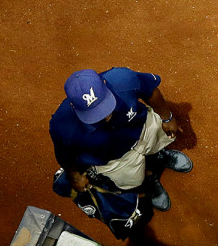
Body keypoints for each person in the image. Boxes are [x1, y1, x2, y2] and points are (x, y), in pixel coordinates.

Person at [49, 67, 192, 212]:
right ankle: (148, 180)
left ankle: (158, 156)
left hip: (141, 130)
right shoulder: (62, 126)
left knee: (157, 138)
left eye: (103, 104)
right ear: (73, 107)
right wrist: (74, 175)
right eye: (93, 113)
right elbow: (65, 156)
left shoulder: (123, 79)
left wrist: (167, 117)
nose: (105, 116)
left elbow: (150, 91)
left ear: (105, 84)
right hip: (114, 159)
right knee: (134, 179)